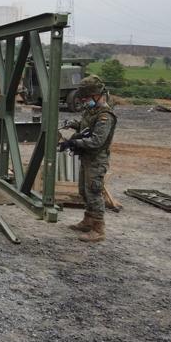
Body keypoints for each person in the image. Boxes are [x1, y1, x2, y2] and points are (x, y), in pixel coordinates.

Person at [60, 75, 117, 242]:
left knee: (93, 192)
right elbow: (86, 126)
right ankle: (88, 220)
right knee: (83, 191)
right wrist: (73, 124)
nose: (85, 101)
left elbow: (96, 140)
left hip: (96, 160)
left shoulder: (105, 116)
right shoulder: (93, 111)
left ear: (97, 95)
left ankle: (98, 229)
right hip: (87, 158)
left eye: (87, 97)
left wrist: (73, 142)